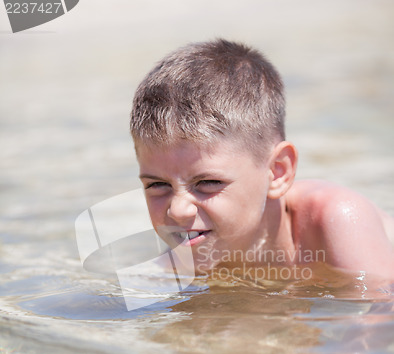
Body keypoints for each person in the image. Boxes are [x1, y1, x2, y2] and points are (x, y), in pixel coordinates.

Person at [129, 39, 394, 282]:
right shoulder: (190, 245)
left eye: (208, 182)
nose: (177, 210)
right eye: (157, 185)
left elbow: (376, 321)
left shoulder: (337, 218)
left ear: (277, 172)